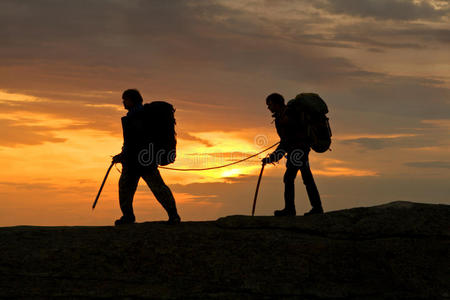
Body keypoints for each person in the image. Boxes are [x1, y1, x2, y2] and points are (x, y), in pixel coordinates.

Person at [112, 89, 180, 225]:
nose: (123, 103)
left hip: (139, 161)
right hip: (144, 160)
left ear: (131, 100)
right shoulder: (139, 116)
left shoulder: (137, 117)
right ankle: (173, 215)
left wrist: (123, 155)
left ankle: (129, 217)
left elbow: (135, 142)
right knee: (156, 188)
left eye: (125, 100)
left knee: (133, 188)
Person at [262, 93, 323, 216]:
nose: (268, 108)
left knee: (292, 178)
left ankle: (292, 209)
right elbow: (286, 141)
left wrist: (272, 158)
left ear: (276, 103)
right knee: (304, 178)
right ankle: (314, 208)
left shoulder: (287, 116)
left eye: (270, 104)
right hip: (299, 150)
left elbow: (287, 141)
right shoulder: (283, 116)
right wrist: (272, 158)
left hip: (298, 150)